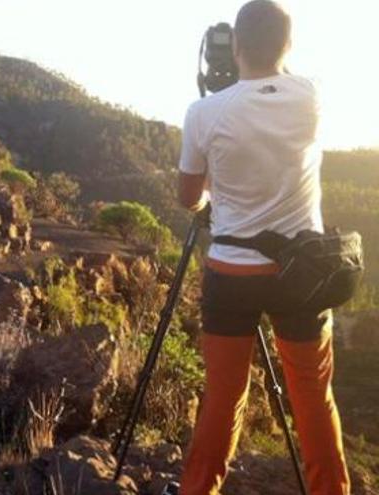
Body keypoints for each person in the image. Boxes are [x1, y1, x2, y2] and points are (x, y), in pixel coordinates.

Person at [177, 1, 350, 494]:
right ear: (288, 47)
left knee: (224, 397)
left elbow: (190, 198)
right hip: (302, 276)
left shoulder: (204, 112)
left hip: (231, 274)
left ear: (234, 46)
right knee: (313, 397)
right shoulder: (311, 96)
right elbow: (279, 84)